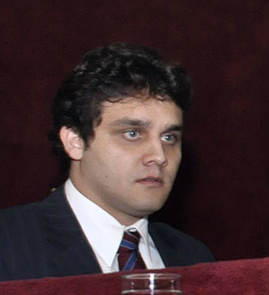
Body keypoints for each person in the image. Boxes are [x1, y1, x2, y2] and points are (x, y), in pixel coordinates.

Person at [0, 44, 213, 280]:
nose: (160, 156)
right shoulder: (10, 245)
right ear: (75, 141)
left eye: (169, 138)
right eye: (132, 134)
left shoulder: (194, 259)